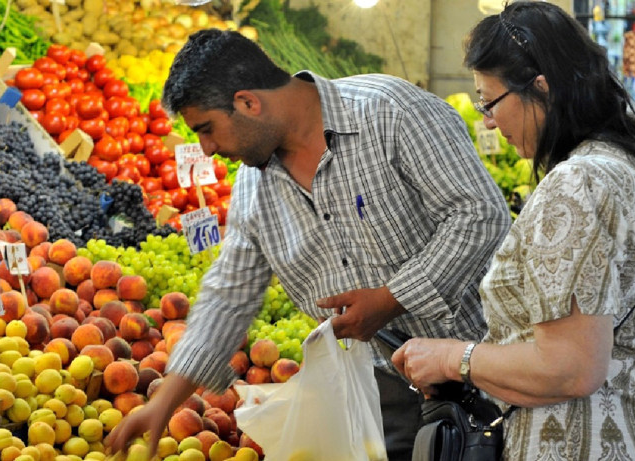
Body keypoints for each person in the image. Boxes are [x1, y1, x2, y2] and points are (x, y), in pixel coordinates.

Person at [104, 28, 511, 460]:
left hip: (489, 363)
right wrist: (163, 403)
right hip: (380, 394)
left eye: (207, 130)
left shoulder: (391, 112)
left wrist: (392, 298)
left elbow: (479, 214)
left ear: (247, 102)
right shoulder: (252, 190)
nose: (207, 149)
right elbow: (229, 296)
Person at [390, 2, 635, 459]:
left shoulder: (575, 184)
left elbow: (569, 369)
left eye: (491, 102)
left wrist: (453, 357)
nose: (488, 121)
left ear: (541, 88)